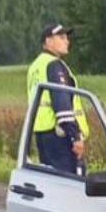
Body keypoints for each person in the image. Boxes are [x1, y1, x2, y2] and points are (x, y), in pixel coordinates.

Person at [26, 23, 89, 174]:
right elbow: (62, 104)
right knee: (70, 184)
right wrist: (75, 137)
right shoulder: (54, 65)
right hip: (59, 135)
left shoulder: (35, 66)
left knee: (51, 181)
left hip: (42, 134)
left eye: (66, 38)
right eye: (61, 37)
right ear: (48, 41)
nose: (67, 41)